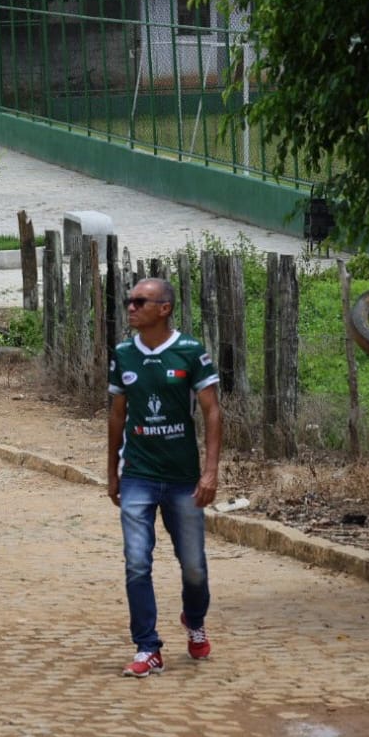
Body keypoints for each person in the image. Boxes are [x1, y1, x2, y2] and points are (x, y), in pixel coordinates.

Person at [107, 277, 221, 678]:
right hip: (138, 474)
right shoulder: (123, 354)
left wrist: (210, 472)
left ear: (165, 308)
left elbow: (212, 412)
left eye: (140, 301)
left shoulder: (190, 352)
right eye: (129, 300)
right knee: (137, 562)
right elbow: (117, 415)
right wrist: (112, 472)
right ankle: (147, 647)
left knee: (193, 566)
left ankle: (194, 619)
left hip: (182, 479)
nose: (131, 307)